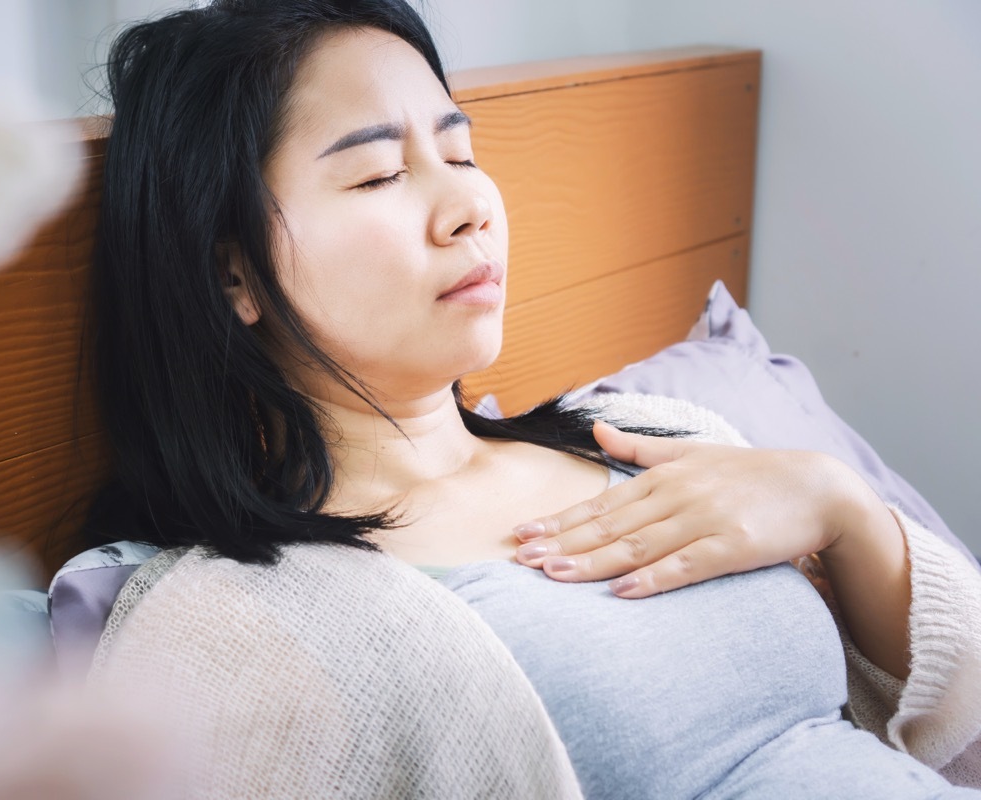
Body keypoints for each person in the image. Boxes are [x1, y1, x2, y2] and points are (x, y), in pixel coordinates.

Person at [86, 1, 981, 797]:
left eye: (461, 151)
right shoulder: (230, 624)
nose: (469, 205)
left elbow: (959, 719)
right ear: (232, 269)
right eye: (378, 175)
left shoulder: (647, 437)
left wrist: (841, 508)